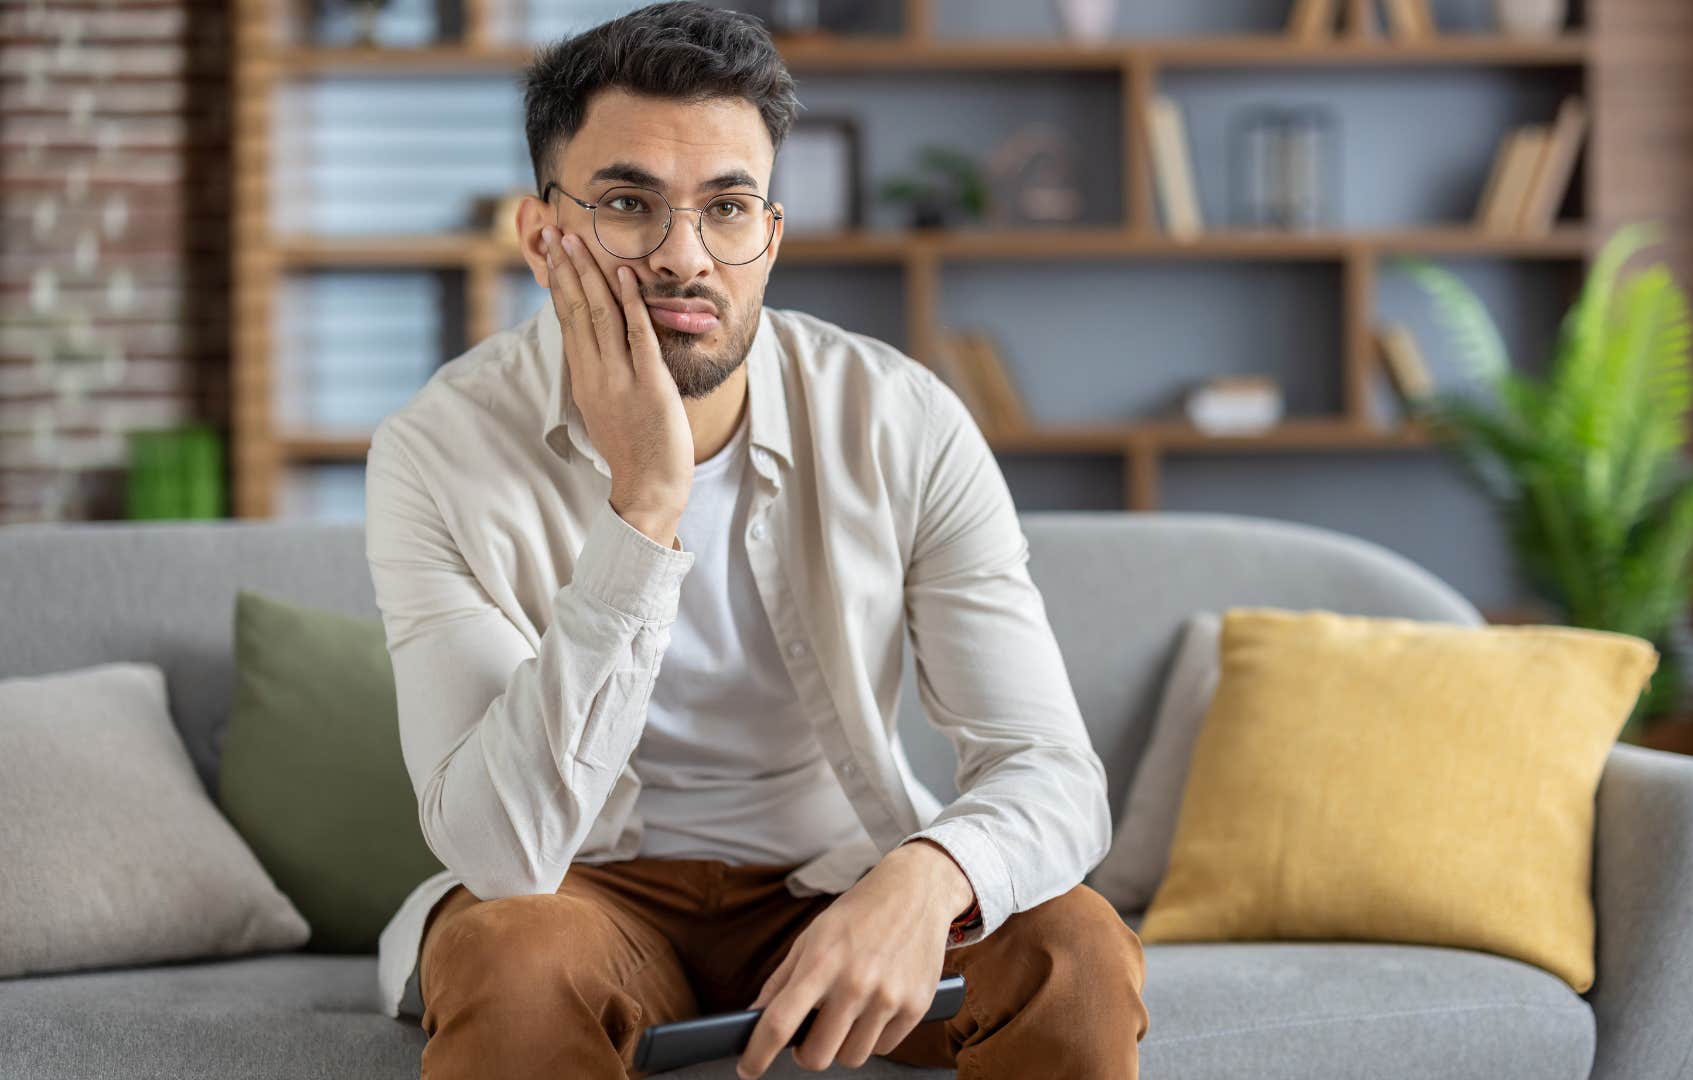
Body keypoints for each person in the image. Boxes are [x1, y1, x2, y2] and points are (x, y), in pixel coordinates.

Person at [361, 4, 1148, 1077]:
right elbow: (503, 852)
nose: (685, 258)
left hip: (833, 881)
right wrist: (644, 502)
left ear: (769, 237)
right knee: (511, 953)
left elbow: (1051, 771)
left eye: (726, 207)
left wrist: (926, 877)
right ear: (545, 237)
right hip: (582, 892)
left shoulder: (902, 420)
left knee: (1077, 947)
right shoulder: (435, 452)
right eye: (629, 204)